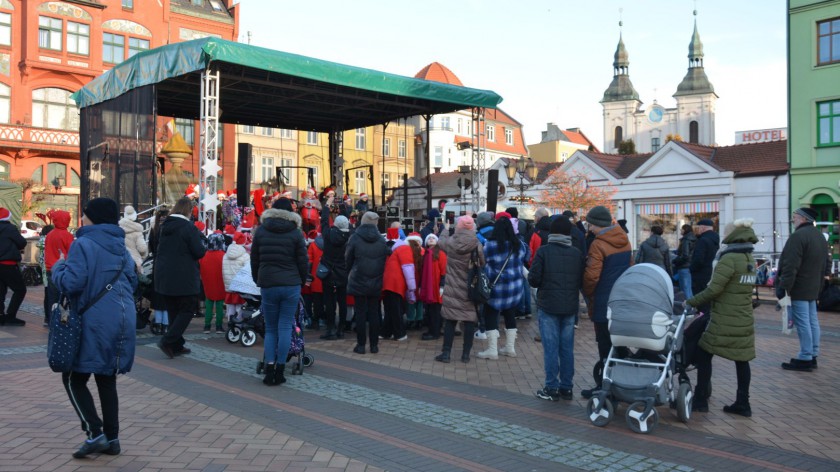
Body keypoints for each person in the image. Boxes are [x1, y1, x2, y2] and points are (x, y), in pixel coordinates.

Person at [51, 197, 137, 458]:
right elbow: (133, 281)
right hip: (122, 318)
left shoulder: (83, 243)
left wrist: (58, 268)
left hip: (94, 320)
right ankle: (113, 439)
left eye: (85, 214)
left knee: (73, 377)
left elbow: (72, 283)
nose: (82, 218)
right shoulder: (121, 247)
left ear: (92, 217)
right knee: (106, 379)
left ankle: (94, 432)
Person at [686, 219, 758, 416]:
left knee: (703, 352)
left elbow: (714, 289)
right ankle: (743, 402)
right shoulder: (749, 258)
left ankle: (700, 400)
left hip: (724, 317)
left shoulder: (729, 259)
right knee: (742, 359)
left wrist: (690, 302)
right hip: (743, 317)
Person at [251, 200, 307, 385]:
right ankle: (280, 370)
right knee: (285, 327)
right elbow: (302, 261)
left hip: (268, 283)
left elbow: (255, 258)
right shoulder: (295, 233)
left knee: (271, 329)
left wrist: (257, 278)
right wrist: (301, 279)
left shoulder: (261, 230)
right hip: (291, 284)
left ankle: (269, 368)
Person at [529, 216, 584, 401]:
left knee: (551, 348)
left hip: (549, 305)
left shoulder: (544, 252)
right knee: (567, 348)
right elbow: (581, 280)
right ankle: (567, 387)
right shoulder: (576, 253)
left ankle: (551, 386)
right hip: (569, 306)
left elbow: (533, 279)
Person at [580, 205, 633, 398]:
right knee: (618, 342)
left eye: (590, 225)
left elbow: (592, 276)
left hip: (603, 299)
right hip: (622, 298)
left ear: (597, 224)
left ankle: (606, 386)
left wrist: (587, 292)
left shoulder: (598, 244)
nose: (589, 229)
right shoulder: (624, 240)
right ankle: (623, 381)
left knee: (604, 344)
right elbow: (630, 267)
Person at [154, 197, 206, 358]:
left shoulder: (164, 226)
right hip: (183, 276)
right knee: (187, 309)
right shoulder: (188, 227)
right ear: (188, 211)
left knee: (174, 311)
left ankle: (176, 345)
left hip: (164, 275)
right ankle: (168, 341)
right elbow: (199, 252)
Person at [779, 207, 830, 372]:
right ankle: (812, 353)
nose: (793, 220)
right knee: (812, 321)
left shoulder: (798, 236)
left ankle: (805, 356)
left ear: (802, 218)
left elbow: (791, 265)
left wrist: (784, 287)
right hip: (814, 286)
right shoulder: (819, 237)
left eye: (794, 217)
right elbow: (826, 263)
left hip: (799, 286)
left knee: (803, 323)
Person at [477, 214, 530, 360]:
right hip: (514, 287)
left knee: (491, 315)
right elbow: (523, 261)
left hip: (495, 287)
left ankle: (492, 350)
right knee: (510, 315)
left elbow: (483, 262)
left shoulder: (490, 245)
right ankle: (510, 348)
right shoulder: (520, 245)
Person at [435, 216, 483, 363]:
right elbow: (482, 262)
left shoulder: (451, 242)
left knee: (450, 320)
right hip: (470, 287)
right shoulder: (476, 243)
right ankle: (465, 355)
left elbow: (439, 242)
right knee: (469, 321)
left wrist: (444, 230)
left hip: (452, 287)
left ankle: (446, 354)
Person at [345, 211, 390, 354]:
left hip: (359, 279)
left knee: (360, 313)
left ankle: (361, 345)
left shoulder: (355, 238)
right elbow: (386, 257)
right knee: (374, 313)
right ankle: (374, 346)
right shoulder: (381, 240)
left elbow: (348, 259)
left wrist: (350, 272)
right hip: (376, 279)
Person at [319, 194, 350, 340]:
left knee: (329, 302)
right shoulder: (350, 236)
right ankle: (341, 329)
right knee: (342, 301)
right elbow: (346, 221)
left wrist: (327, 205)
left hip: (328, 272)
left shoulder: (328, 234)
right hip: (343, 272)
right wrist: (344, 207)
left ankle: (330, 329)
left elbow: (324, 221)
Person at [381, 232, 420, 341]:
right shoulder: (405, 249)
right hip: (396, 283)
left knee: (390, 309)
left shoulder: (397, 249)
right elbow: (408, 269)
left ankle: (386, 332)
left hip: (389, 282)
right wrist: (412, 288)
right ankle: (399, 333)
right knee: (396, 309)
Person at [44, 210, 74, 326]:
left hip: (50, 269)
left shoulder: (50, 234)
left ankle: (52, 320)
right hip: (63, 269)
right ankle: (66, 319)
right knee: (68, 296)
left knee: (53, 298)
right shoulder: (67, 235)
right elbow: (72, 253)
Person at [0, 207, 27, 326]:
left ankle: (0, 316)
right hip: (8, 263)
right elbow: (22, 242)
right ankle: (10, 315)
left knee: (0, 291)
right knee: (20, 289)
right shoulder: (10, 228)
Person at [420, 233, 447, 340]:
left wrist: (442, 285)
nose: (431, 239)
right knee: (431, 310)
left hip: (436, 287)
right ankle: (433, 330)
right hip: (429, 286)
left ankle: (434, 332)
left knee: (435, 310)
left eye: (433, 238)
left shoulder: (440, 254)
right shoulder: (426, 254)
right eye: (429, 238)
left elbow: (444, 270)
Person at [147, 208, 170, 334]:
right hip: (167, 263)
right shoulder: (168, 230)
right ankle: (165, 324)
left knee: (158, 293)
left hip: (157, 263)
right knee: (166, 294)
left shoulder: (154, 229)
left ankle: (159, 322)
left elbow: (150, 245)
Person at [200, 233, 227, 334]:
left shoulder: (204, 255)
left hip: (207, 282)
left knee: (208, 304)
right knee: (220, 304)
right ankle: (219, 326)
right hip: (220, 281)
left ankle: (207, 326)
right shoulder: (223, 255)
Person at [222, 231, 250, 323]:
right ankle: (239, 324)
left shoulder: (225, 255)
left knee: (230, 307)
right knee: (240, 307)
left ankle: (231, 324)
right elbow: (248, 271)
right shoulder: (245, 256)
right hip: (241, 286)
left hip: (229, 286)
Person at [690, 218, 720, 303]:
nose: (697, 230)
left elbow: (698, 259)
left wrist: (691, 269)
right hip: (711, 273)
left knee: (700, 300)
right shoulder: (715, 239)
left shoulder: (703, 240)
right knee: (707, 299)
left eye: (698, 227)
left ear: (703, 228)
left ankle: (702, 315)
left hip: (700, 276)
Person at [119, 205, 148, 271]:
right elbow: (142, 249)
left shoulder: (119, 230)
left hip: (121, 263)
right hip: (136, 264)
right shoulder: (137, 232)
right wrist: (143, 256)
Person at [673, 224, 697, 299]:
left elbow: (685, 255)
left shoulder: (686, 240)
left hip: (683, 266)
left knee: (685, 289)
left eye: (682, 229)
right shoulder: (693, 238)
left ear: (685, 230)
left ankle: (688, 308)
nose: (680, 230)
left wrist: (676, 261)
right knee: (688, 289)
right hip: (689, 266)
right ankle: (691, 306)